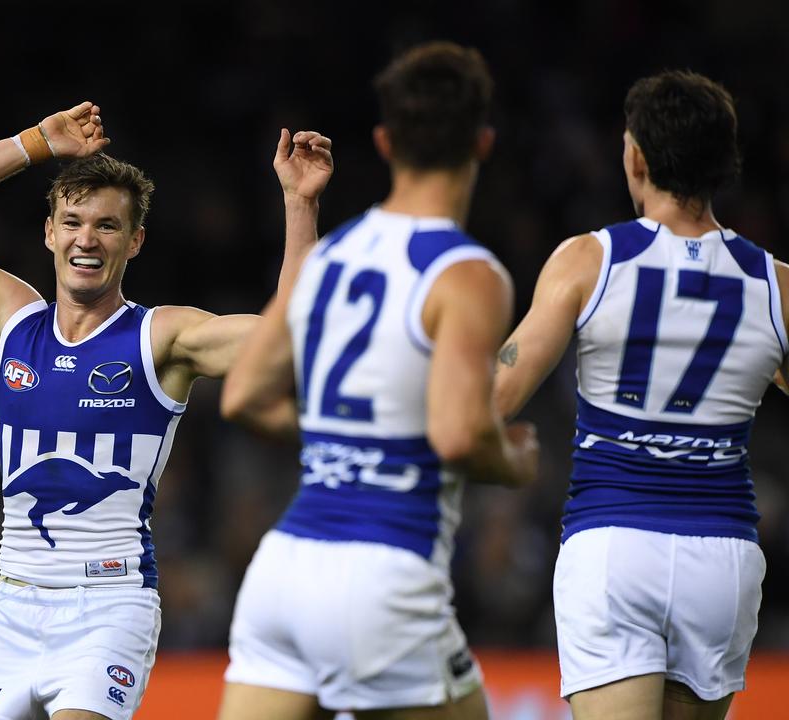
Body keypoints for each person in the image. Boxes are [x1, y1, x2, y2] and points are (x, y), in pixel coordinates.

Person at [0, 104, 319, 719]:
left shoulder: (162, 338)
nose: (86, 240)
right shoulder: (10, 320)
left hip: (108, 606)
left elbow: (289, 341)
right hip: (11, 608)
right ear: (49, 232)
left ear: (135, 240)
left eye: (106, 225)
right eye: (71, 222)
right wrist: (36, 142)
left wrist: (300, 203)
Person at [217, 41, 538, 720]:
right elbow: (457, 433)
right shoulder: (467, 274)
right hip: (386, 571)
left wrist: (345, 442)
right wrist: (510, 461)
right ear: (482, 143)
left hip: (285, 568)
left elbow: (243, 394)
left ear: (385, 141)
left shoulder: (332, 255)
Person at [493, 70, 785, 719]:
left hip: (614, 545)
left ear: (636, 157)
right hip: (723, 558)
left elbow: (498, 395)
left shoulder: (588, 260)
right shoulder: (775, 286)